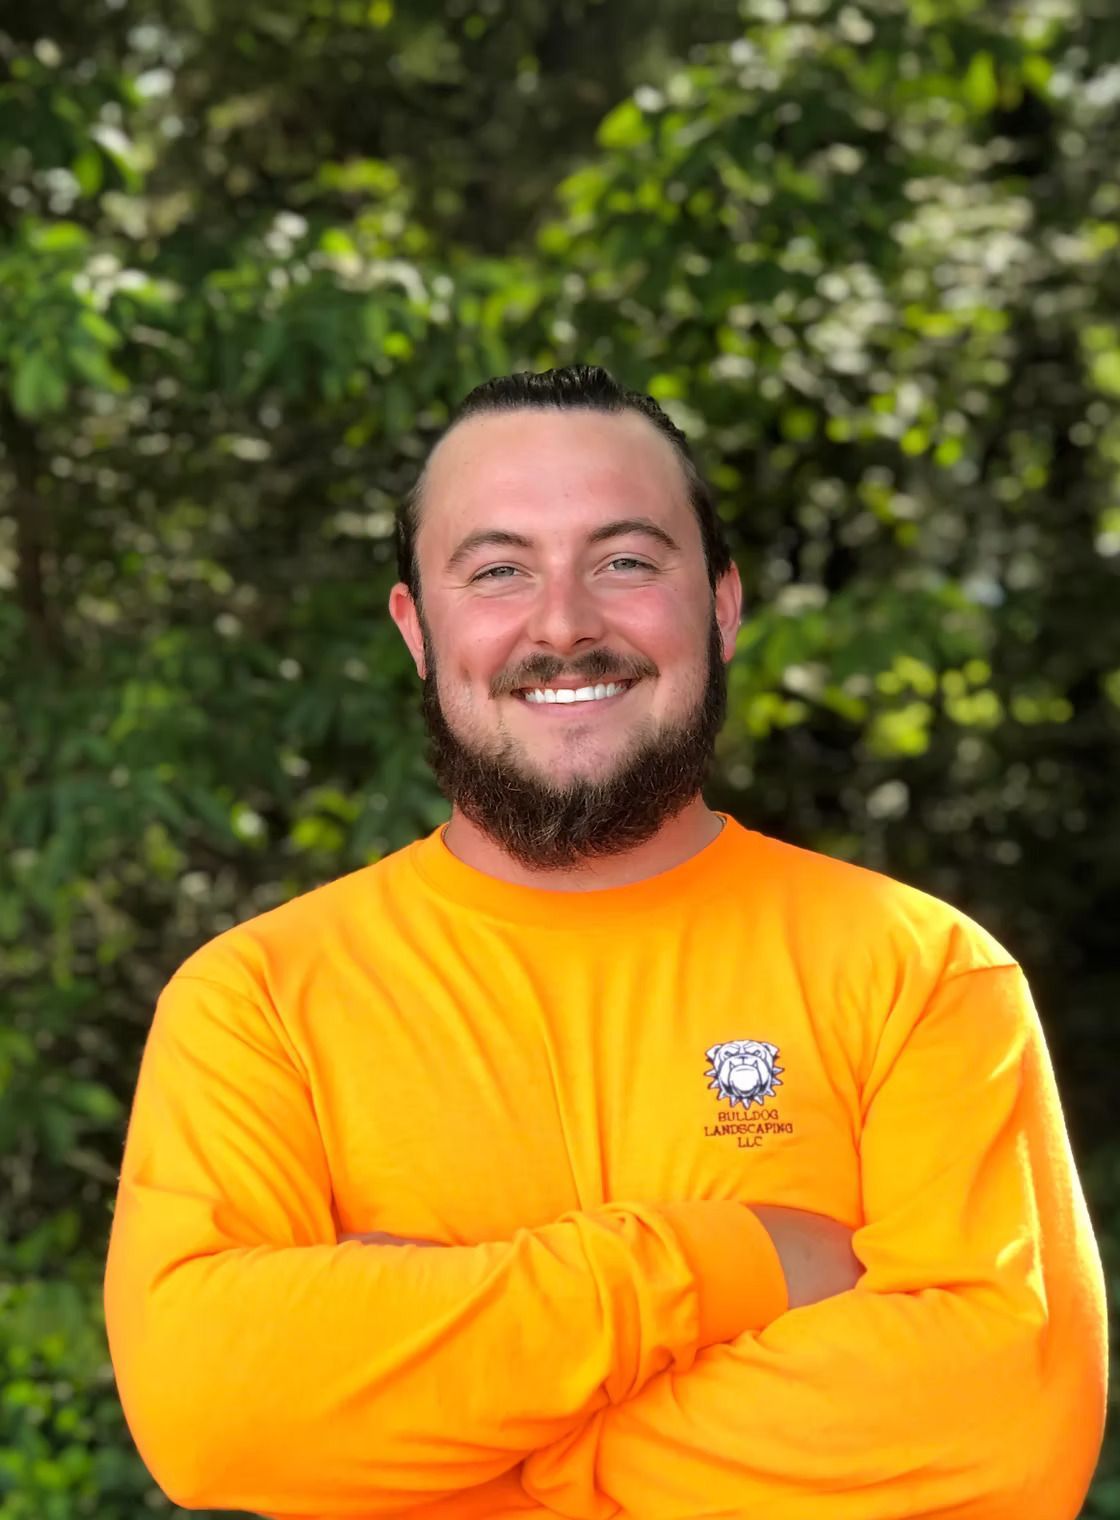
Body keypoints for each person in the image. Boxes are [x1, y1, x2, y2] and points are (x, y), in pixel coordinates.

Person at [103, 365, 1107, 1520]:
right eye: (496, 571)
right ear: (414, 627)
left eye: (625, 560)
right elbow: (215, 1412)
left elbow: (1002, 1437)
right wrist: (740, 1263)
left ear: (721, 606)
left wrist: (509, 1444)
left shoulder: (919, 969)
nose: (565, 623)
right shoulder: (258, 999)